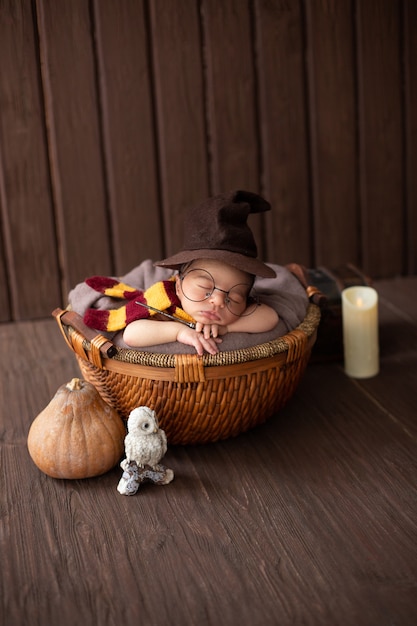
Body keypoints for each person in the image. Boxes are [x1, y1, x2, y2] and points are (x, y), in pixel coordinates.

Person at [84, 190, 279, 356]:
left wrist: (227, 327)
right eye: (205, 288)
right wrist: (178, 331)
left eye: (233, 298)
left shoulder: (236, 316)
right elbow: (131, 334)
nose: (218, 301)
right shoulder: (166, 302)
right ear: (178, 285)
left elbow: (270, 318)